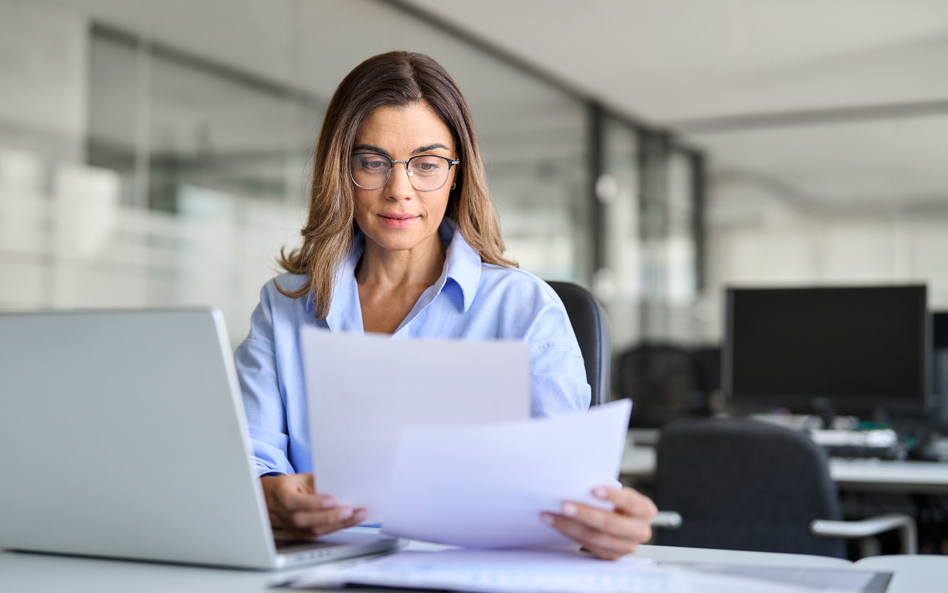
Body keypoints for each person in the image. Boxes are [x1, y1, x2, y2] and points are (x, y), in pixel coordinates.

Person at [234, 51, 657, 560]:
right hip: (321, 572)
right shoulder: (284, 306)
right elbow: (248, 466)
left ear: (457, 173)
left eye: (427, 165)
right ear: (340, 171)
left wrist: (605, 525)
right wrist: (267, 498)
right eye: (371, 162)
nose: (399, 191)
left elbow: (573, 498)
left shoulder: (524, 310)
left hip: (476, 575)